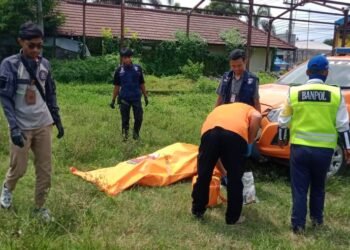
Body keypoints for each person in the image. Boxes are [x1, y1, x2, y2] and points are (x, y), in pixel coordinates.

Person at [278, 55, 350, 234]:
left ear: (308, 72)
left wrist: (282, 138)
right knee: (318, 187)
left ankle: (298, 225)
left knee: (300, 188)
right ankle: (317, 221)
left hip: (300, 148)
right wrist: (348, 148)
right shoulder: (335, 94)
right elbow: (343, 125)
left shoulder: (294, 93)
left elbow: (283, 120)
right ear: (326, 72)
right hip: (324, 151)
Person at [0, 22, 64, 222]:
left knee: (45, 170)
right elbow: (5, 98)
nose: (36, 49)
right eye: (31, 45)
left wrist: (57, 119)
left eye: (39, 45)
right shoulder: (9, 65)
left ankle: (39, 207)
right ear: (21, 42)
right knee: (18, 168)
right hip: (22, 126)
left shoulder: (45, 64)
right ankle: (7, 189)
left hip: (43, 124)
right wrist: (14, 127)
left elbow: (50, 93)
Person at [192, 102, 262, 224]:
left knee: (204, 174)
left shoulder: (221, 109)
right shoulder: (249, 109)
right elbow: (257, 117)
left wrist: (223, 172)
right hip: (234, 135)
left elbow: (215, 156)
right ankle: (232, 218)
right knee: (235, 178)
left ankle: (197, 210)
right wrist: (250, 140)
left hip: (209, 132)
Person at [110, 48, 148, 141]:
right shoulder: (119, 71)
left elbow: (142, 83)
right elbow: (116, 87)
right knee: (125, 120)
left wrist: (145, 96)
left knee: (139, 118)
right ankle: (125, 137)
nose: (125, 60)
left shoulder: (137, 69)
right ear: (122, 58)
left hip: (136, 98)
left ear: (131, 58)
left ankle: (136, 135)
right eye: (123, 58)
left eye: (127, 57)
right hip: (124, 99)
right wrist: (113, 100)